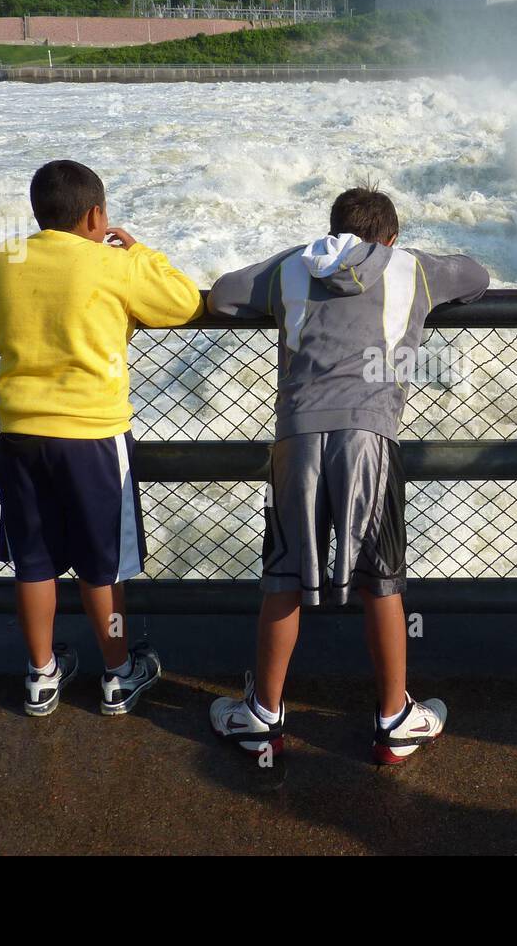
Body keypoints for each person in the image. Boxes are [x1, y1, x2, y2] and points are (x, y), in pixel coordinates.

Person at [206, 186, 490, 763]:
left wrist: (301, 258)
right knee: (380, 577)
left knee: (284, 575)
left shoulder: (291, 267)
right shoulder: (412, 268)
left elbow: (221, 297)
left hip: (297, 436)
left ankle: (262, 717)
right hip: (370, 436)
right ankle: (394, 719)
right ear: (390, 236)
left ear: (330, 231)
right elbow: (477, 274)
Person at [0, 159, 201, 716]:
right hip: (94, 437)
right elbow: (184, 302)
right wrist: (140, 252)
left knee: (33, 561)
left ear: (39, 212)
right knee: (101, 567)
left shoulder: (2, 258)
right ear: (96, 215)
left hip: (21, 435)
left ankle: (40, 675)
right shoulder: (112, 266)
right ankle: (118, 672)